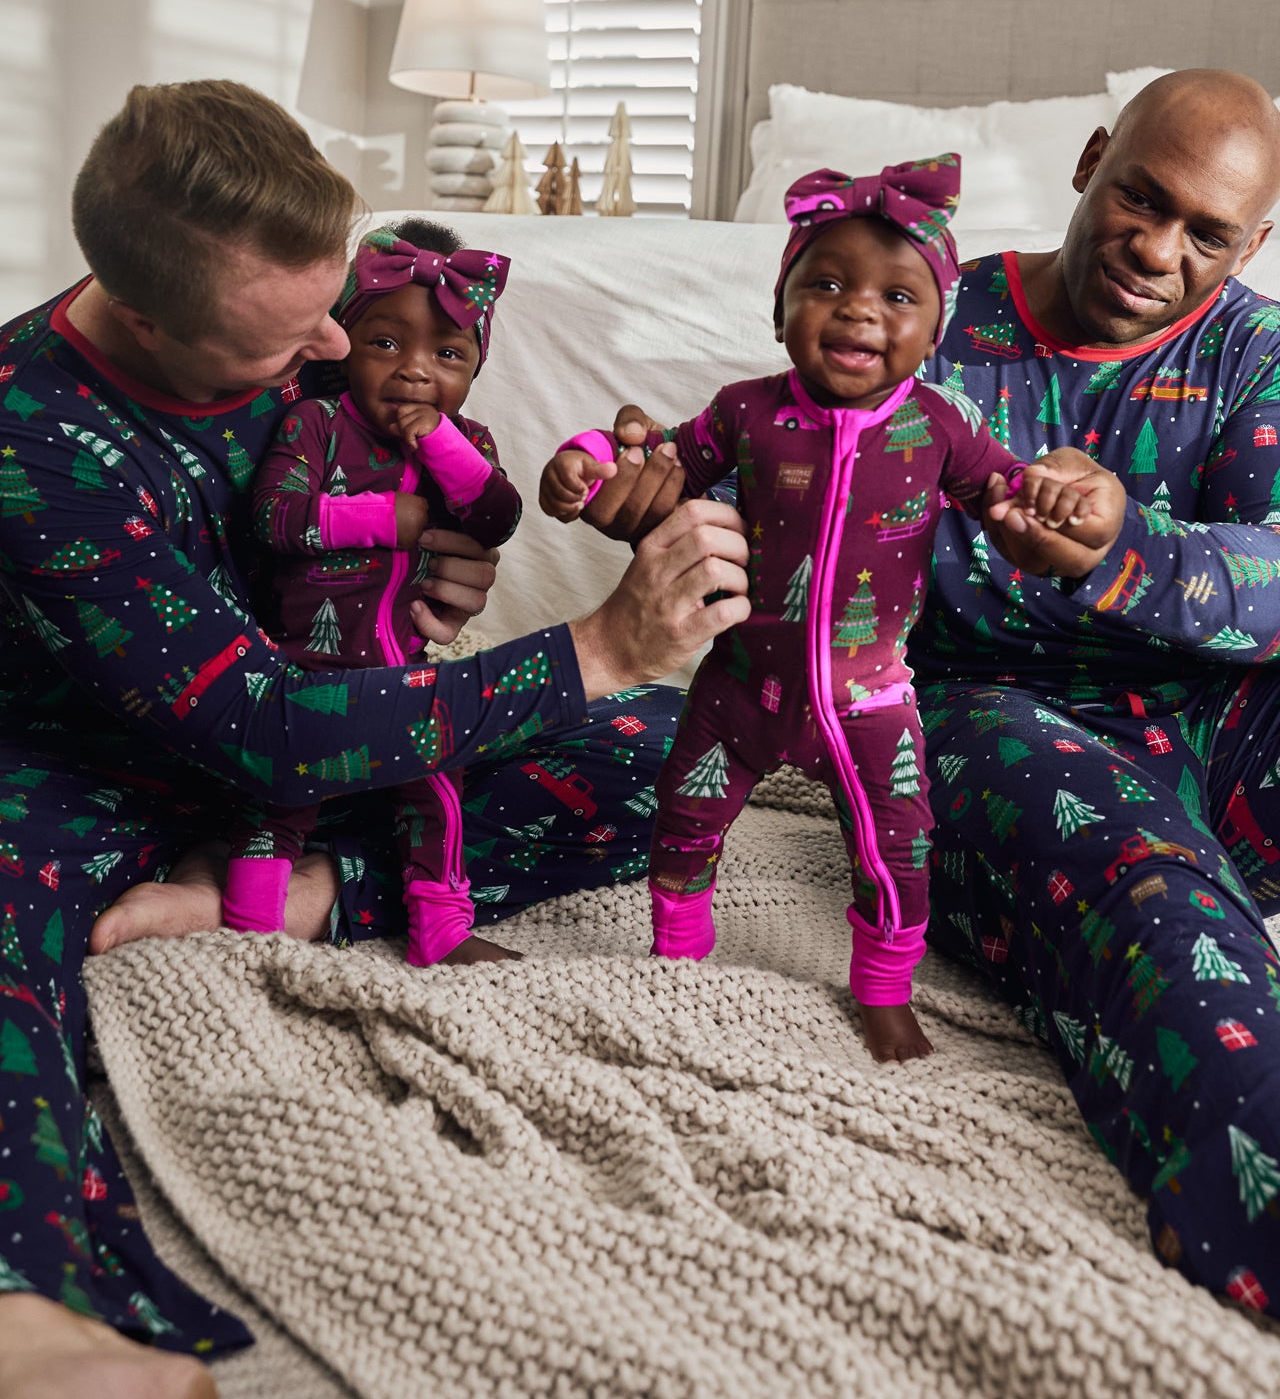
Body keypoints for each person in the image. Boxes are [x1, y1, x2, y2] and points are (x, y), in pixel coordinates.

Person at [0, 79, 750, 1399]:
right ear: (149, 316)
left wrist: (440, 585)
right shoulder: (30, 435)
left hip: (325, 747)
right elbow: (268, 727)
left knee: (666, 747)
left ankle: (314, 897)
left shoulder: (323, 349)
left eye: (329, 317)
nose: (337, 360)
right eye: (288, 353)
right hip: (89, 767)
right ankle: (23, 1298)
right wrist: (593, 644)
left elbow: (403, 539)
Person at [588, 69, 1280, 1314]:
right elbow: (775, 476)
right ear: (1085, 163)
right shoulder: (917, 308)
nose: (1154, 247)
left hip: (1209, 716)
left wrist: (1128, 544)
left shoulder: (1253, 358)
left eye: (1206, 233)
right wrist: (649, 487)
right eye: (1138, 195)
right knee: (1147, 892)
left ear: (1253, 243)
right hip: (971, 711)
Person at [542, 158, 1103, 1062]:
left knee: (899, 845)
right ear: (781, 308)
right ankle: (677, 958)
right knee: (684, 821)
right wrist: (586, 462)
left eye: (897, 296)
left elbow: (1009, 495)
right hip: (735, 686)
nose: (859, 309)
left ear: (934, 333)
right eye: (827, 283)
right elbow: (656, 460)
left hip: (868, 697)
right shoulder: (746, 412)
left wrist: (1048, 500)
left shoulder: (941, 425)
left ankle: (884, 990)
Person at [226, 218, 525, 967]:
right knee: (280, 805)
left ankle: (442, 930)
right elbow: (275, 516)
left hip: (411, 670)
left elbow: (497, 515)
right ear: (344, 341)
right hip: (306, 665)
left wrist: (440, 445)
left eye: (448, 354)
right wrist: (391, 518)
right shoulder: (317, 423)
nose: (417, 371)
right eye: (386, 343)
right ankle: (245, 938)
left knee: (438, 797)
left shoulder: (470, 442)